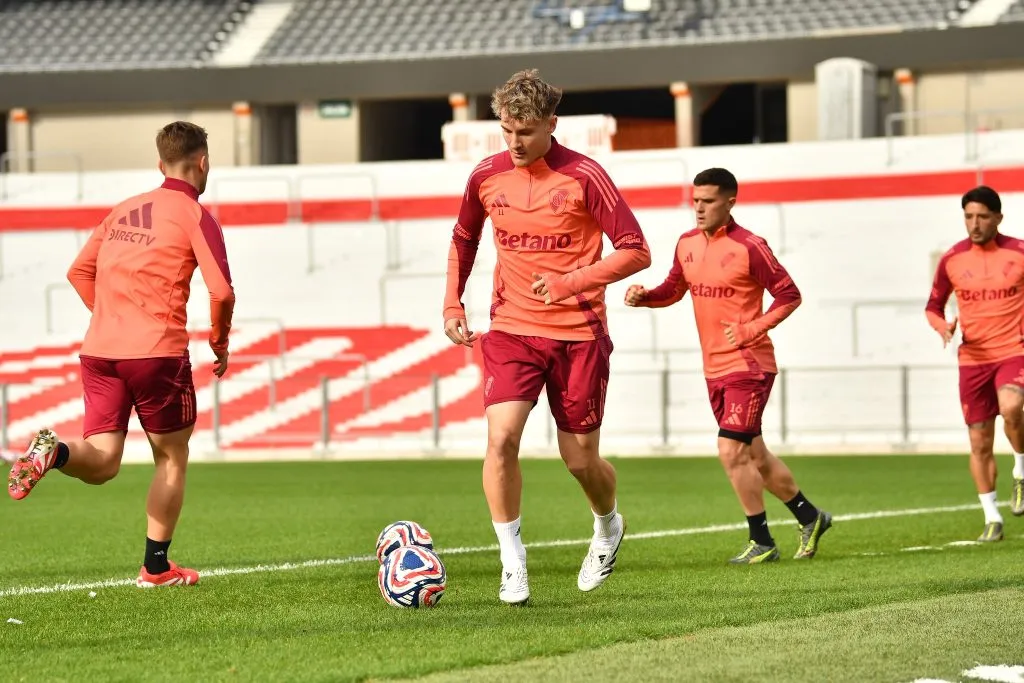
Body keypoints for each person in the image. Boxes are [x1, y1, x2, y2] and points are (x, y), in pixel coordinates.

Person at [442, 69, 652, 604]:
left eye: (526, 132)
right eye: (507, 130)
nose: (514, 142)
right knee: (501, 438)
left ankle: (608, 525)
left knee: (581, 460)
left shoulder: (585, 176)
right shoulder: (486, 176)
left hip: (578, 334)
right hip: (511, 329)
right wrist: (451, 302)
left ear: (552, 125)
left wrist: (570, 282)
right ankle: (513, 560)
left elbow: (636, 249)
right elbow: (464, 237)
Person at [7, 121, 235, 587]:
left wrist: (112, 316)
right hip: (155, 353)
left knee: (104, 461)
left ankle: (56, 452)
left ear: (159, 163)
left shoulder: (123, 209)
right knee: (171, 457)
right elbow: (222, 292)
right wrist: (220, 342)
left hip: (100, 351)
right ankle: (155, 568)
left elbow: (78, 271)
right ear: (203, 162)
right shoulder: (195, 214)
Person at [624, 167, 832, 564]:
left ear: (730, 202)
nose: (698, 209)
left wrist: (752, 328)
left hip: (749, 366)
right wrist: (645, 297)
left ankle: (763, 541)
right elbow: (674, 288)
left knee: (729, 450)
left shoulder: (750, 246)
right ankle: (810, 516)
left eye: (708, 202)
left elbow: (789, 295)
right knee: (755, 456)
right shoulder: (686, 243)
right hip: (713, 368)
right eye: (695, 201)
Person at [925, 185, 1024, 542]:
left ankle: (1021, 470)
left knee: (1012, 406)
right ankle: (992, 516)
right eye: (969, 216)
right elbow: (933, 306)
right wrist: (943, 326)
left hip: (1014, 351)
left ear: (998, 217)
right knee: (979, 442)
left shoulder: (1019, 252)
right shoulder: (952, 259)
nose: (975, 223)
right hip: (973, 359)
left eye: (983, 216)